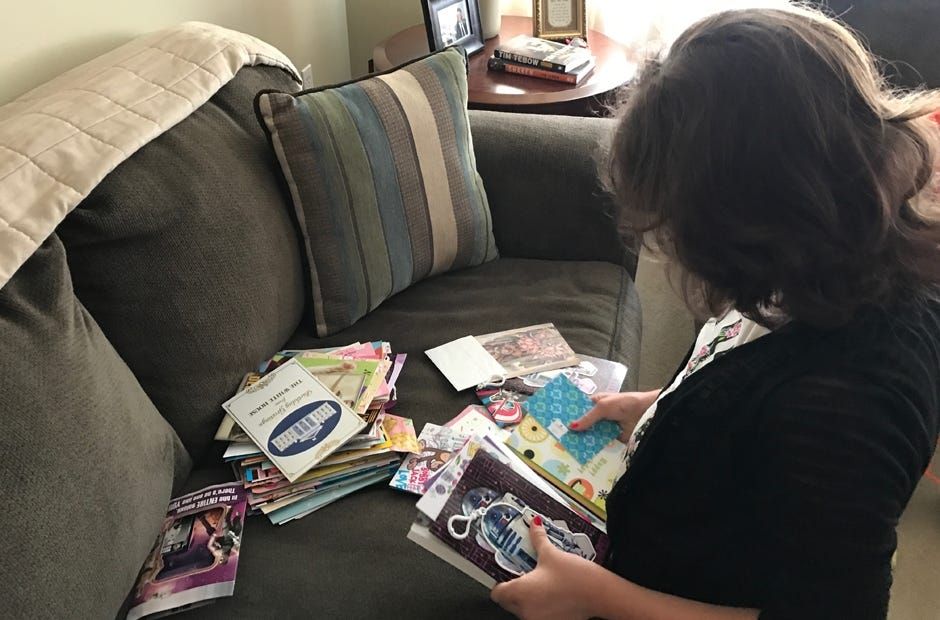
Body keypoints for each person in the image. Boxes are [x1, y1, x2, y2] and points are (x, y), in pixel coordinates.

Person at [491, 6, 940, 620]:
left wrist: (595, 596)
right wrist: (661, 406)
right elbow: (750, 402)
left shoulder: (844, 403)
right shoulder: (823, 266)